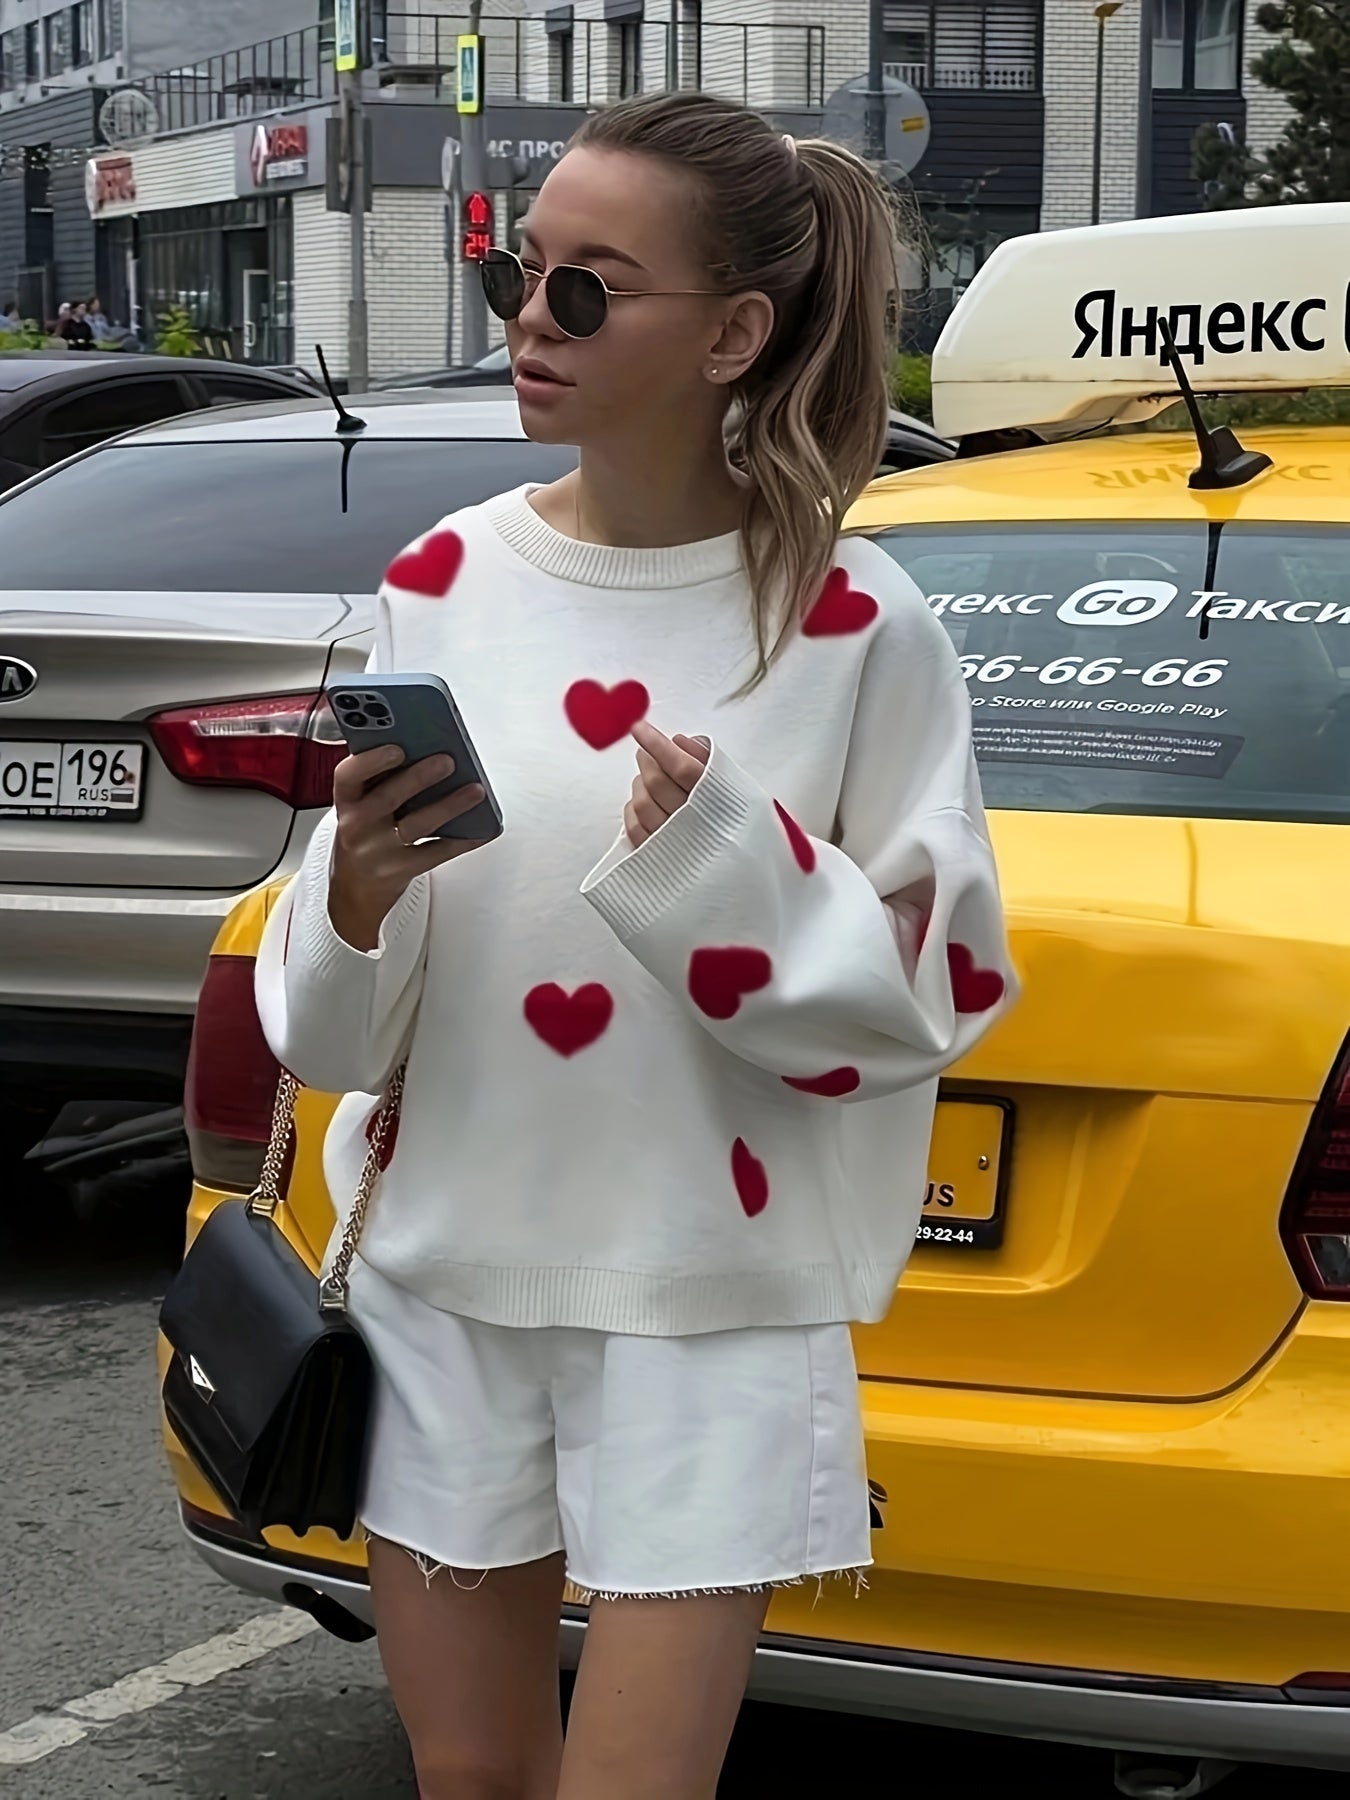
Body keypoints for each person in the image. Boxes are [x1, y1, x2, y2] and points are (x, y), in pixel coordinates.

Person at [256, 91, 1015, 1800]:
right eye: (520, 273)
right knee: (473, 1779)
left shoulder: (848, 621)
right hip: (443, 1265)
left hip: (707, 1294)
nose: (533, 317)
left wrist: (720, 870)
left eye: (591, 287)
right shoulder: (443, 578)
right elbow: (334, 1028)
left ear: (735, 332)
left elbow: (921, 999)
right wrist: (358, 892)